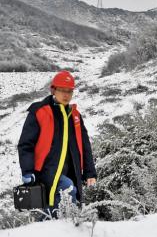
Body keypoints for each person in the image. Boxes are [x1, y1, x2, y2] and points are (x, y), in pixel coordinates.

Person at [18, 70, 97, 209]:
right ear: (53, 90)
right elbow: (26, 144)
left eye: (70, 91)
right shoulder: (39, 112)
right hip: (46, 172)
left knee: (66, 203)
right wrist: (27, 171)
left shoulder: (75, 115)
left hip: (72, 172)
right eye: (62, 90)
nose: (66, 95)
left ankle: (59, 227)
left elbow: (85, 147)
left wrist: (90, 173)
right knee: (67, 190)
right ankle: (64, 226)